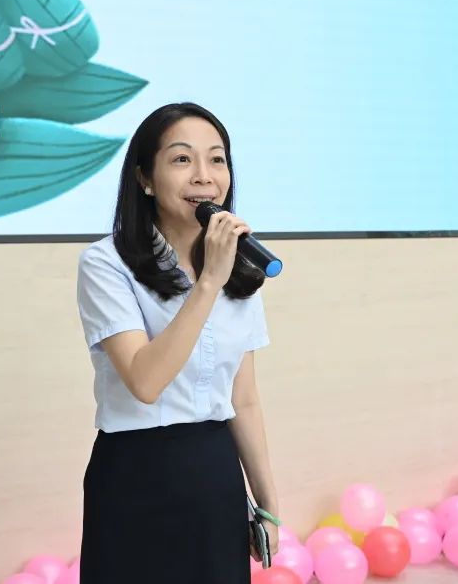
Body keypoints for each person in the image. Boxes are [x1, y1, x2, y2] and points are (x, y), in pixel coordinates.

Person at [75, 102, 281, 583]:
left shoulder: (238, 268)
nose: (204, 176)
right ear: (145, 178)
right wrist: (208, 283)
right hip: (134, 476)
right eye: (182, 159)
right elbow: (145, 381)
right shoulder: (106, 264)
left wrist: (267, 503)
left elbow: (244, 400)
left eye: (217, 159)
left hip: (214, 474)